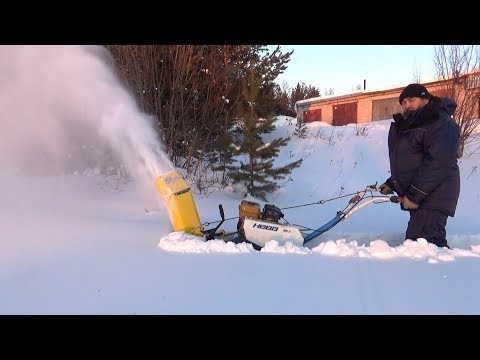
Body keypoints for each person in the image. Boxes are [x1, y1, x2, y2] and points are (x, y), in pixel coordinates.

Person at [379, 83, 460, 249]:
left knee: (418, 245)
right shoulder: (415, 124)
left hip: (434, 195)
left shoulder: (439, 122)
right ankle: (447, 272)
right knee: (432, 246)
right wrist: (392, 183)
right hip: (424, 197)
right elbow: (411, 162)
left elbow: (438, 163)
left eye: (411, 100)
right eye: (403, 102)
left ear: (425, 98)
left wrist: (414, 196)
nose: (407, 105)